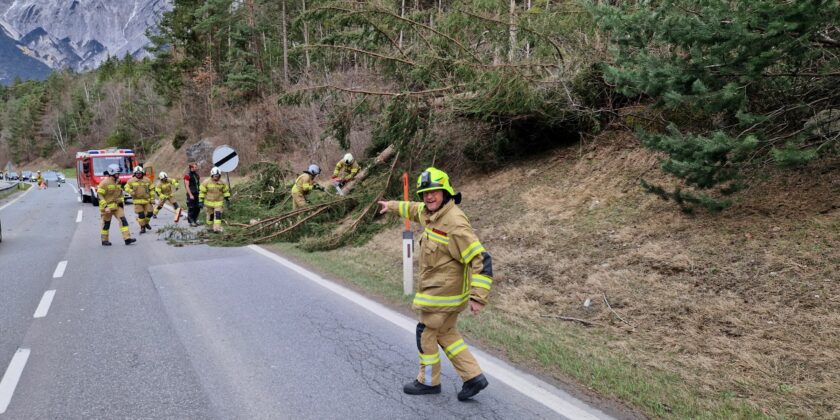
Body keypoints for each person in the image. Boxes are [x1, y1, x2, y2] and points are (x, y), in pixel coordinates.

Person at [377, 167, 493, 401]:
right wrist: (390, 206)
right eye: (425, 193)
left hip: (443, 296)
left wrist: (479, 296)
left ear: (446, 192)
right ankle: (473, 377)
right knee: (446, 333)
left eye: (434, 192)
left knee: (426, 333)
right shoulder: (432, 213)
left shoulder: (454, 222)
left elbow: (480, 258)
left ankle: (428, 381)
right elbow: (412, 209)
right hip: (444, 295)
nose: (428, 197)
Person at [98, 164, 136, 246]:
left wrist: (121, 203)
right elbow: (99, 195)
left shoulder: (118, 181)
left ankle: (127, 239)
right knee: (106, 224)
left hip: (117, 206)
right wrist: (105, 206)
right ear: (112, 173)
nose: (118, 175)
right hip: (107, 209)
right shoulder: (104, 183)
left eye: (118, 173)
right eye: (117, 173)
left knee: (123, 221)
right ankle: (104, 240)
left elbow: (120, 193)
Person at [124, 166, 155, 234]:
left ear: (142, 173)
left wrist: (152, 198)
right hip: (137, 201)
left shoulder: (147, 180)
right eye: (137, 173)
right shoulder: (131, 180)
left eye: (140, 173)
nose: (138, 174)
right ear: (135, 174)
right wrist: (130, 191)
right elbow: (126, 187)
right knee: (141, 215)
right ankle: (142, 227)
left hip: (147, 200)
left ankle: (146, 223)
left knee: (150, 213)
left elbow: (152, 189)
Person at [198, 167, 231, 232]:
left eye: (218, 176)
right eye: (215, 176)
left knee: (218, 215)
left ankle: (217, 228)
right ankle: (209, 227)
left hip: (218, 202)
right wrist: (201, 201)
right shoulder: (206, 182)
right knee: (210, 216)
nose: (217, 178)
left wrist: (227, 199)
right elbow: (202, 192)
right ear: (212, 175)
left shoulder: (222, 182)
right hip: (209, 203)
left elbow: (226, 191)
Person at [184, 162, 201, 227]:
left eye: (196, 167)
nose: (196, 168)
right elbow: (187, 186)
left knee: (197, 207)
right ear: (191, 168)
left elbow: (198, 184)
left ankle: (195, 220)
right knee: (191, 208)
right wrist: (190, 195)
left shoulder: (196, 175)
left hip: (197, 193)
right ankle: (191, 221)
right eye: (195, 167)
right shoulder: (187, 175)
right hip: (191, 194)